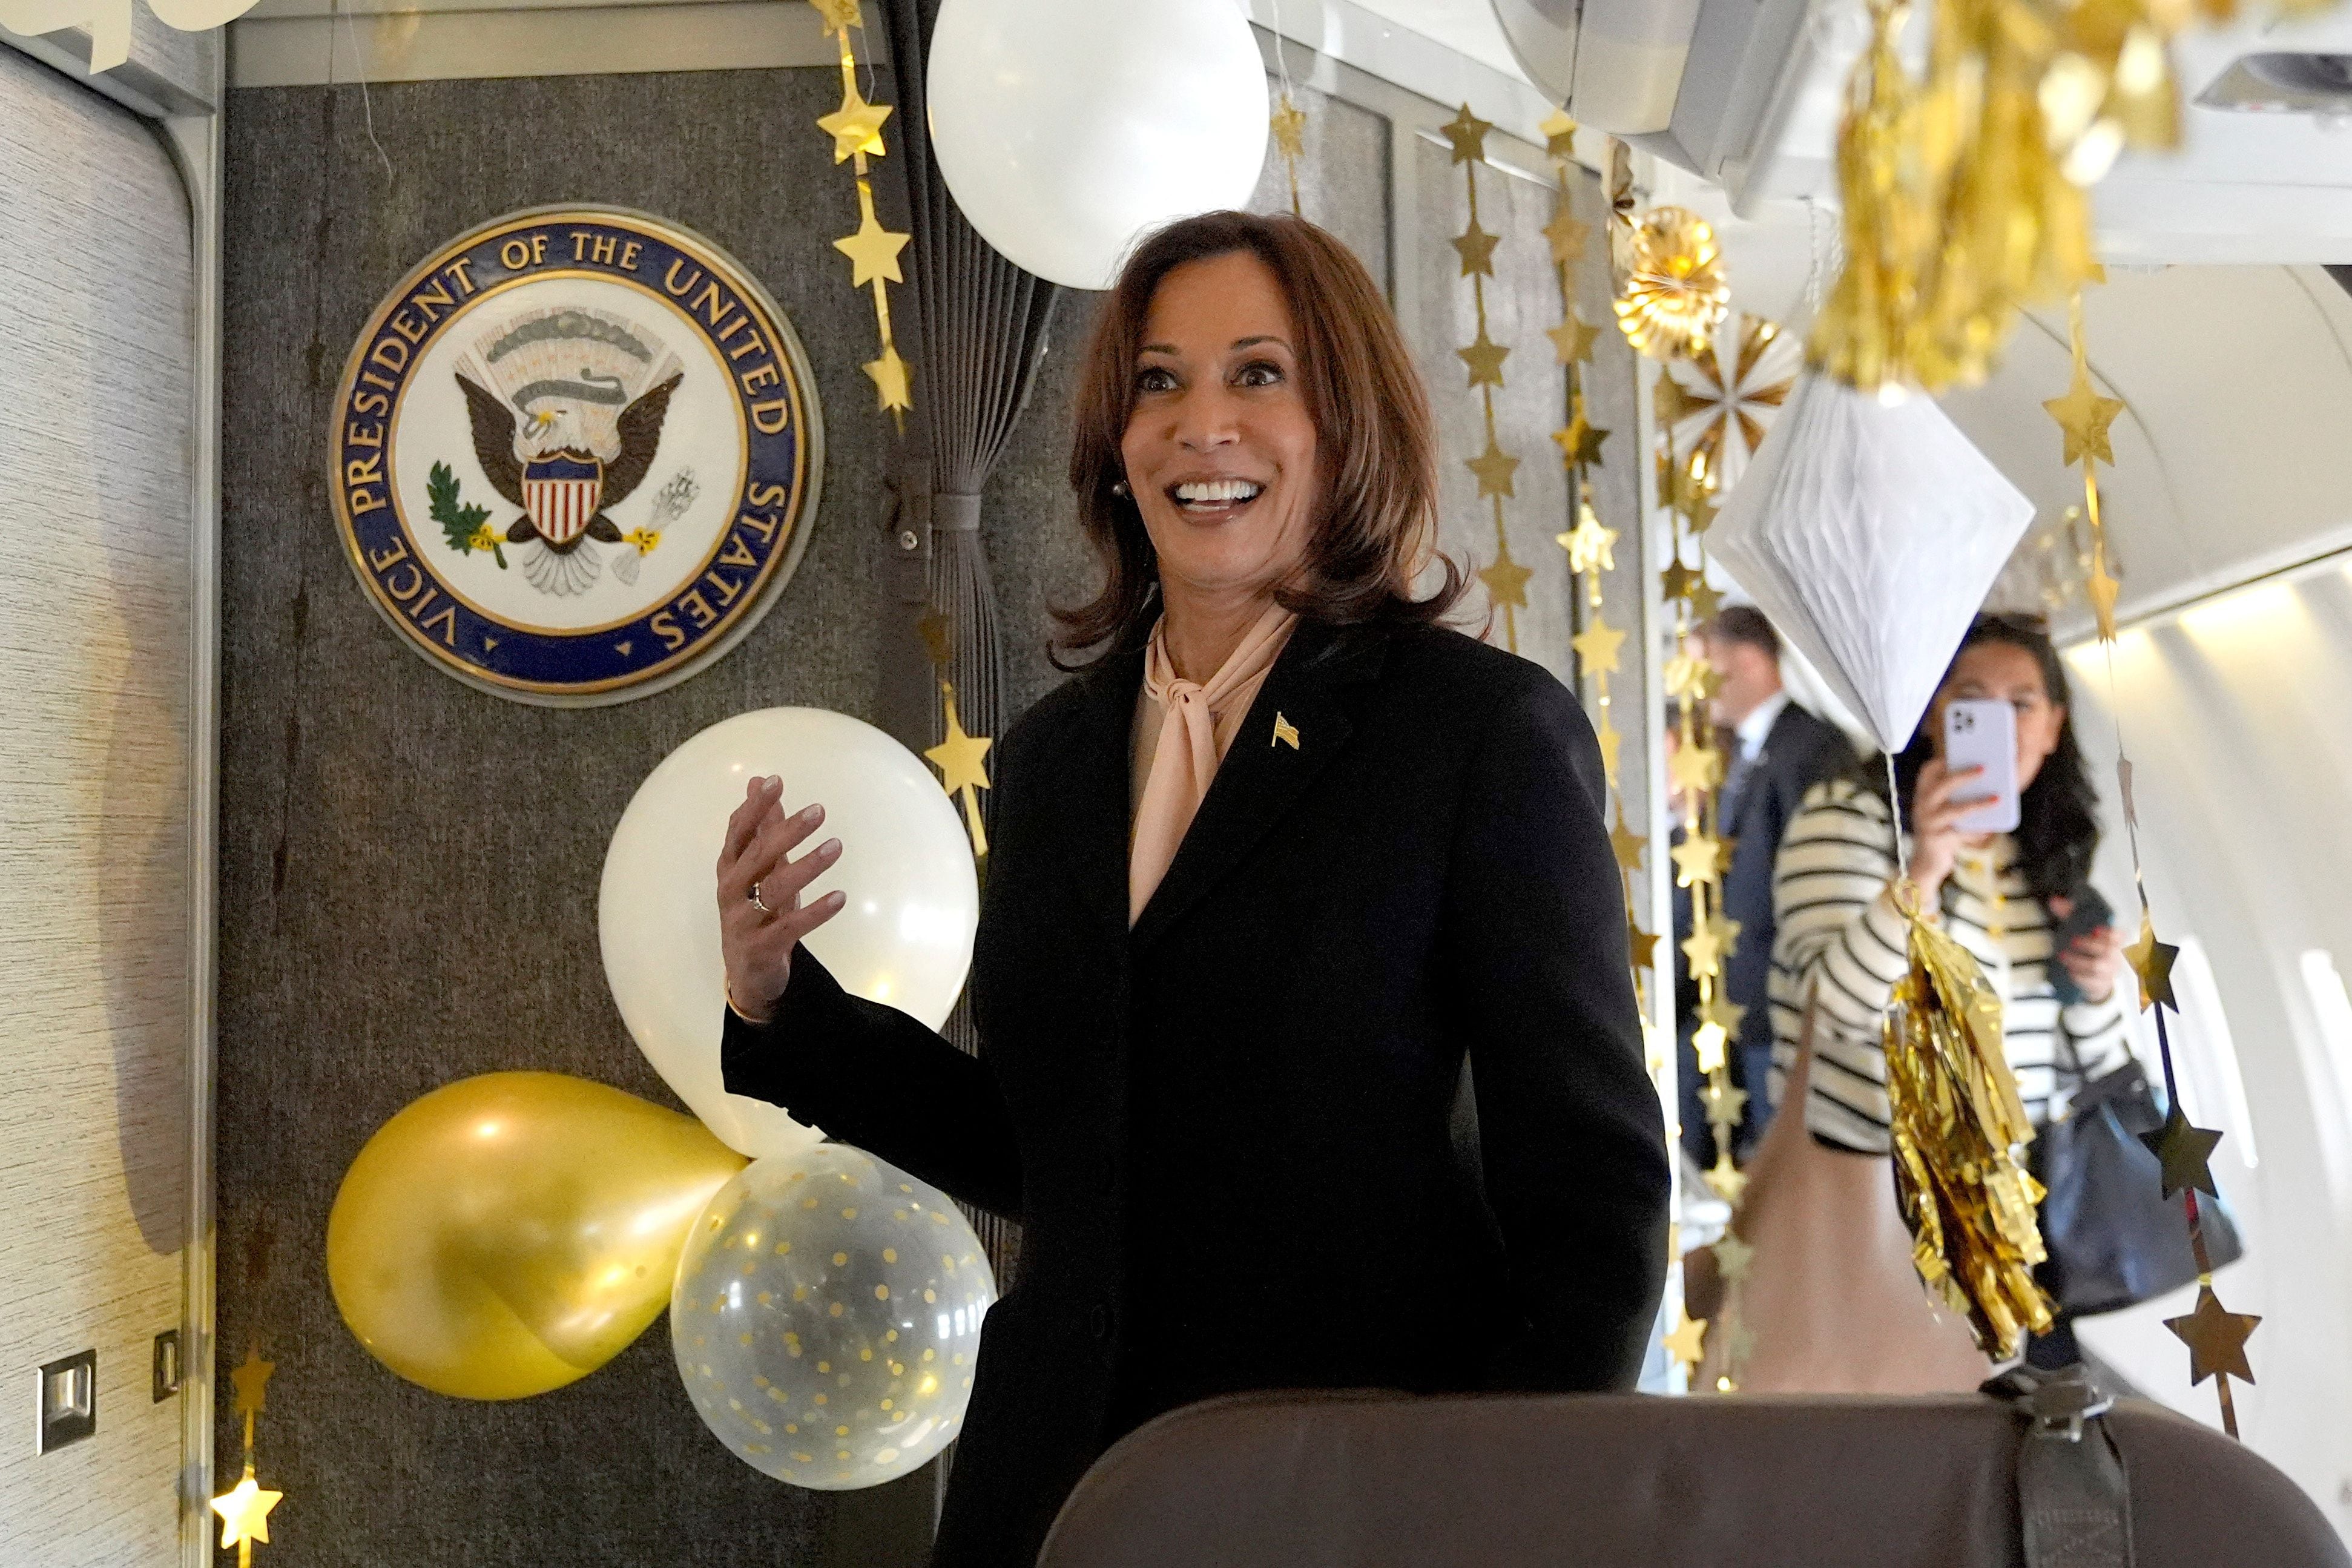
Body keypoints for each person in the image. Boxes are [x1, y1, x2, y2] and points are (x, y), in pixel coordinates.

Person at [712, 211, 1669, 1568]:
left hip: (1349, 1504)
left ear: (1346, 424)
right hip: (1055, 1496)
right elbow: (1058, 1148)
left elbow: (1597, 1206)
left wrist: (1491, 1503)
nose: (1199, 423)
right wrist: (782, 1009)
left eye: (1257, 374)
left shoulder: (1476, 734)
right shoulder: (1052, 759)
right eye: (1158, 381)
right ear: (1113, 438)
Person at [1768, 611, 2130, 1363]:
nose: (1999, 723)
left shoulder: (2047, 855)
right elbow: (1830, 1012)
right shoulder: (1849, 819)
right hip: (1877, 1188)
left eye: (2022, 703)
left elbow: (2086, 1061)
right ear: (1936, 715)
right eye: (1972, 700)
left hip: (2014, 1202)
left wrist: (2098, 994)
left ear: (2054, 726)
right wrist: (1922, 872)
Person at [1689, 607, 1854, 1163]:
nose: (1696, 686)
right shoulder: (1747, 751)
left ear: (1748, 661)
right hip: (1745, 1001)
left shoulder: (1812, 747)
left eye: (1703, 666)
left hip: (1783, 1004)